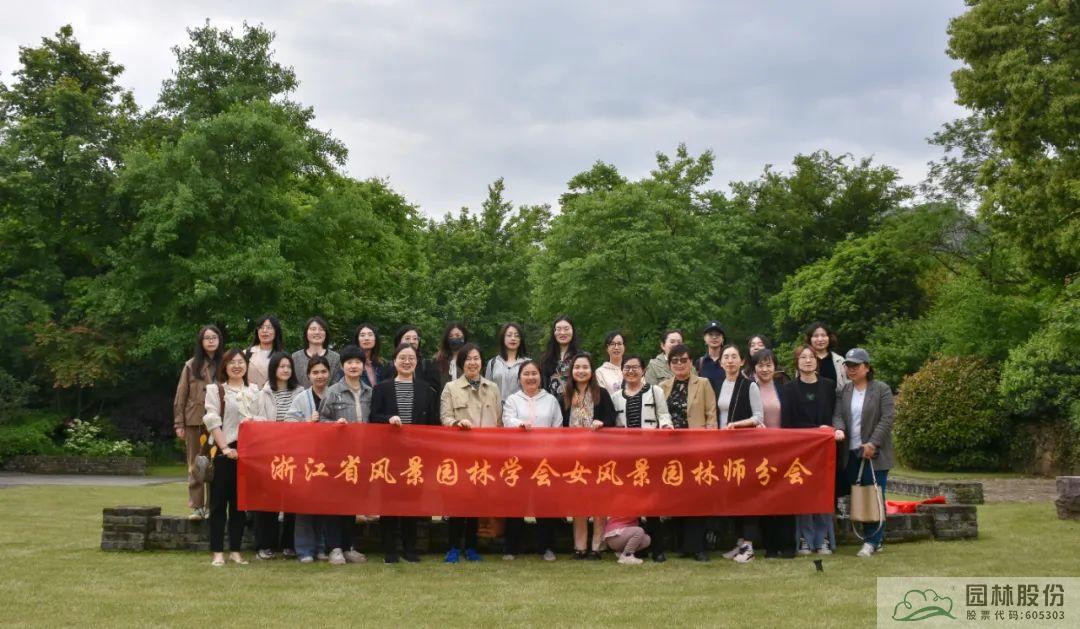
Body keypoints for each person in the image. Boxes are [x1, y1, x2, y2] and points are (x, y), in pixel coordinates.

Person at [370, 343, 440, 563]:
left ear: (417, 362)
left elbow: (433, 424)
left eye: (411, 358)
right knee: (388, 501)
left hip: (416, 456)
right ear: (394, 361)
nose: (407, 362)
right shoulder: (381, 388)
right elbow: (373, 418)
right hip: (389, 455)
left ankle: (410, 549)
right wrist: (388, 420)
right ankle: (390, 550)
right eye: (402, 358)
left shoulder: (426, 390)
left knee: (412, 502)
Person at [440, 342, 501, 562]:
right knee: (457, 501)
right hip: (460, 452)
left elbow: (499, 421)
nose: (472, 363)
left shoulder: (492, 388)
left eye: (476, 358)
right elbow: (445, 417)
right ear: (461, 363)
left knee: (477, 501)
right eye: (468, 359)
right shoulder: (451, 388)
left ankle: (472, 547)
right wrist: (457, 423)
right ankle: (453, 547)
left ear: (482, 362)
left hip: (485, 454)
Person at [832, 348, 895, 558]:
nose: (851, 369)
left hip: (875, 454)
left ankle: (872, 540)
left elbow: (887, 418)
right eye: (848, 366)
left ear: (867, 367)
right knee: (859, 496)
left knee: (873, 495)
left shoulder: (881, 389)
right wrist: (839, 429)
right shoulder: (844, 391)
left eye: (856, 366)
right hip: (851, 452)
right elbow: (838, 415)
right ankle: (874, 538)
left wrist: (873, 443)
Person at [658, 344, 717, 562]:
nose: (679, 364)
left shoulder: (703, 383)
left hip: (697, 448)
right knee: (676, 496)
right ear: (669, 364)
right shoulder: (662, 387)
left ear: (691, 362)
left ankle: (698, 546)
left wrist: (711, 444)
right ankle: (682, 544)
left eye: (684, 360)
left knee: (698, 496)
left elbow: (711, 415)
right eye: (675, 361)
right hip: (670, 450)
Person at [501, 360, 564, 561]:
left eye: (534, 373)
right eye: (526, 374)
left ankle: (546, 547)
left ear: (540, 376)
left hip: (544, 461)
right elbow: (507, 420)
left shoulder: (551, 400)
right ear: (519, 378)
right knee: (516, 504)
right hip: (518, 461)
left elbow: (558, 427)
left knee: (545, 504)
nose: (530, 377)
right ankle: (511, 548)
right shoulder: (512, 400)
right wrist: (520, 424)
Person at [203, 348, 260, 566]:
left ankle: (236, 551)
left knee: (239, 505)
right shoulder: (216, 390)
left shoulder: (255, 390)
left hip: (248, 452)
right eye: (232, 362)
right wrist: (225, 448)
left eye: (241, 362)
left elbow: (261, 418)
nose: (237, 366)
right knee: (218, 504)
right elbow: (212, 421)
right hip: (224, 451)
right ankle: (217, 552)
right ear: (224, 366)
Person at [317, 345, 372, 565]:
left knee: (352, 502)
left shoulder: (369, 392)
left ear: (363, 366)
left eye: (357, 362)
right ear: (342, 366)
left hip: (361, 456)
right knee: (335, 502)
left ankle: (349, 546)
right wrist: (334, 424)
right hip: (337, 456)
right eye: (349, 362)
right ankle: (334, 548)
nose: (353, 366)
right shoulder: (333, 391)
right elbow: (321, 420)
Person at [782, 344, 839, 557]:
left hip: (824, 449)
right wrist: (813, 432)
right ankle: (805, 538)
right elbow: (787, 423)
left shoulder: (828, 386)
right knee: (804, 494)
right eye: (803, 357)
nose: (808, 361)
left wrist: (829, 430)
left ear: (817, 361)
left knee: (822, 493)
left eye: (811, 357)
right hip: (801, 450)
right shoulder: (789, 389)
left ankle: (823, 538)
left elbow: (835, 415)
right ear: (796, 362)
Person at [561, 353, 616, 560]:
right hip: (573, 457)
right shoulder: (565, 395)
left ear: (591, 370)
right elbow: (560, 423)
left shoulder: (601, 393)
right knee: (578, 502)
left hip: (599, 455)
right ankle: (580, 546)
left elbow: (611, 418)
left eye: (585, 367)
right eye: (577, 367)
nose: (581, 371)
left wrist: (602, 423)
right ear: (571, 371)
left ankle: (597, 546)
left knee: (599, 501)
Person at [252, 352, 304, 560]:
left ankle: (289, 544)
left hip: (294, 454)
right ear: (273, 369)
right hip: (269, 453)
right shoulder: (263, 393)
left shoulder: (300, 392)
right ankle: (265, 544)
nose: (285, 370)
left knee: (292, 501)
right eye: (281, 366)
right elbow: (255, 419)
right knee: (267, 500)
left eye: (288, 366)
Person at [748, 349, 796, 559]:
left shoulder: (784, 389)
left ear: (775, 367)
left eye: (769, 365)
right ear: (754, 368)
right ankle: (770, 546)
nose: (765, 369)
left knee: (786, 497)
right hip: (759, 452)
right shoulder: (749, 389)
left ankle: (788, 545)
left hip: (783, 451)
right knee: (765, 498)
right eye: (761, 365)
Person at [285, 356, 332, 563]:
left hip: (330, 458)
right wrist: (307, 423)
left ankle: (320, 547)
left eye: (323, 372)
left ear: (329, 373)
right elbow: (289, 423)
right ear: (308, 375)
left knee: (323, 504)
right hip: (306, 458)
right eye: (315, 372)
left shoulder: (334, 394)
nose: (320, 376)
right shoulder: (301, 398)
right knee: (304, 505)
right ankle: (304, 549)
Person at [172, 324, 222, 520]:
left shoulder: (225, 363)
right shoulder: (191, 365)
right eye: (206, 338)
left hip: (218, 422)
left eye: (214, 337)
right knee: (195, 464)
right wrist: (179, 423)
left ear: (219, 340)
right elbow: (180, 395)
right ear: (201, 342)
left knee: (215, 464)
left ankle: (212, 506)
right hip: (195, 420)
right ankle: (197, 506)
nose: (210, 341)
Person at [611, 354, 673, 429]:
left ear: (643, 370)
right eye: (627, 368)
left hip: (650, 435)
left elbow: (663, 414)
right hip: (624, 436)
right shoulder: (615, 397)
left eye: (635, 367)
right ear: (622, 370)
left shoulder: (655, 391)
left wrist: (666, 425)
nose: (630, 371)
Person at [484, 322, 529, 403]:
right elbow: (486, 390)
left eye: (517, 335)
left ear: (521, 340)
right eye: (509, 335)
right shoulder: (493, 363)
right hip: (496, 408)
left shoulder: (528, 363)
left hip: (521, 408)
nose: (513, 338)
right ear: (503, 338)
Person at [291, 316, 341, 388]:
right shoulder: (295, 357)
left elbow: (336, 385)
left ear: (326, 333)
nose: (317, 332)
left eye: (321, 329)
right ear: (306, 333)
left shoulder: (335, 358)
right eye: (313, 329)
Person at [539, 316, 578, 398]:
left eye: (566, 329)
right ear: (554, 332)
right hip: (551, 402)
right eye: (559, 329)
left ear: (573, 331)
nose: (562, 333)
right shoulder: (546, 358)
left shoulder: (580, 356)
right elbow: (543, 385)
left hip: (577, 402)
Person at [805, 322, 848, 393]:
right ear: (810, 339)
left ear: (829, 338)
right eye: (816, 336)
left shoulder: (839, 360)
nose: (820, 339)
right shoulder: (804, 360)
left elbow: (846, 386)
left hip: (835, 399)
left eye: (823, 335)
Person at [247, 315, 284, 388]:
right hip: (251, 394)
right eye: (261, 327)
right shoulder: (247, 353)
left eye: (269, 327)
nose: (264, 331)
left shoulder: (283, 356)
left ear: (276, 331)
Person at [433, 322, 468, 390]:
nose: (454, 338)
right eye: (451, 336)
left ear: (464, 337)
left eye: (458, 335)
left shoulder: (470, 359)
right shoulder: (438, 359)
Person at [696, 321, 726, 394]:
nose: (714, 337)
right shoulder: (699, 363)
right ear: (704, 338)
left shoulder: (728, 361)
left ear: (722, 339)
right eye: (710, 334)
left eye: (718, 335)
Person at [594, 331, 626, 396]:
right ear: (607, 348)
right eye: (612, 344)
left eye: (619, 344)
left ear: (624, 346)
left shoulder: (631, 369)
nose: (616, 347)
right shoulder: (600, 373)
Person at [355, 323, 386, 388]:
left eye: (370, 335)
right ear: (357, 340)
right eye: (362, 335)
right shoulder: (351, 364)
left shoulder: (383, 364)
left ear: (375, 339)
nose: (366, 338)